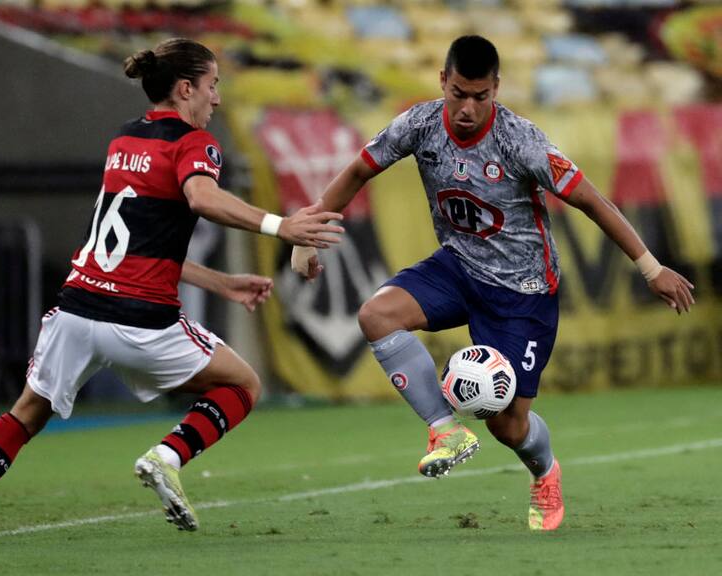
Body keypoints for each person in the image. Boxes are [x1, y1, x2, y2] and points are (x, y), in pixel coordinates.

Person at [291, 35, 695, 531]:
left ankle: (544, 472)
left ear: (496, 90)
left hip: (523, 293)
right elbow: (358, 169)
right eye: (458, 93)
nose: (467, 108)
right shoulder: (419, 124)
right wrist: (308, 234)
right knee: (377, 315)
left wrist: (650, 267)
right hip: (458, 267)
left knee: (508, 425)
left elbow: (591, 200)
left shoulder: (519, 140)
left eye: (480, 97)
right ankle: (445, 431)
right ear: (443, 81)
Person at [0, 38, 344, 533]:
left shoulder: (125, 140)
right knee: (242, 384)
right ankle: (167, 456)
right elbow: (202, 198)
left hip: (77, 308)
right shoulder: (194, 142)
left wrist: (220, 282)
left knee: (25, 414)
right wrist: (280, 225)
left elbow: (133, 243)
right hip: (140, 321)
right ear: (186, 89)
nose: (216, 98)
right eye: (212, 85)